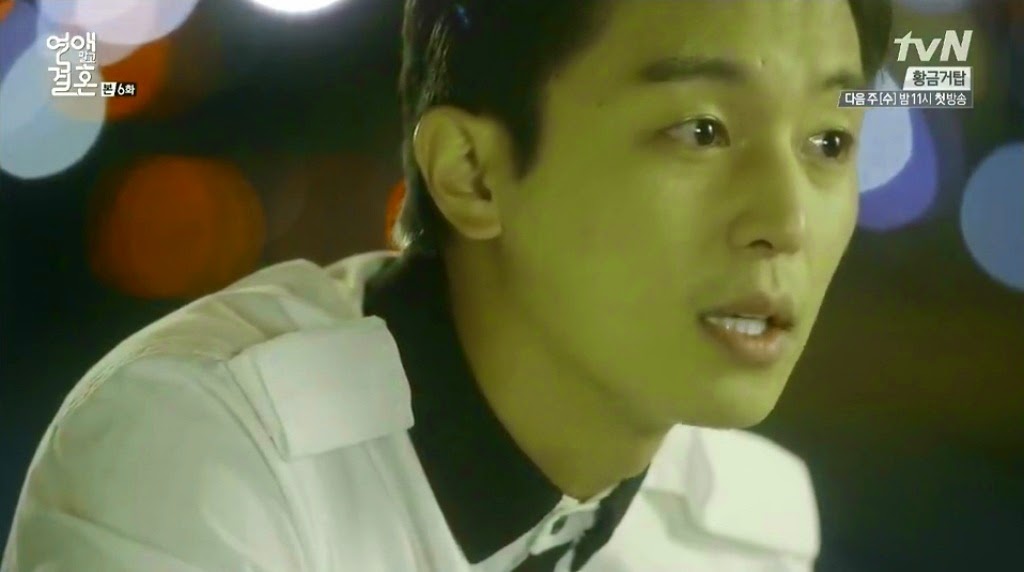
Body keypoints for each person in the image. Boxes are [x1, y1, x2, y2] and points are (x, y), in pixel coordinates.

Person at [2, 1, 892, 570]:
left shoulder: (747, 527)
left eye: (829, 143)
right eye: (701, 130)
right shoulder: (205, 457)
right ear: (471, 172)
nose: (789, 219)